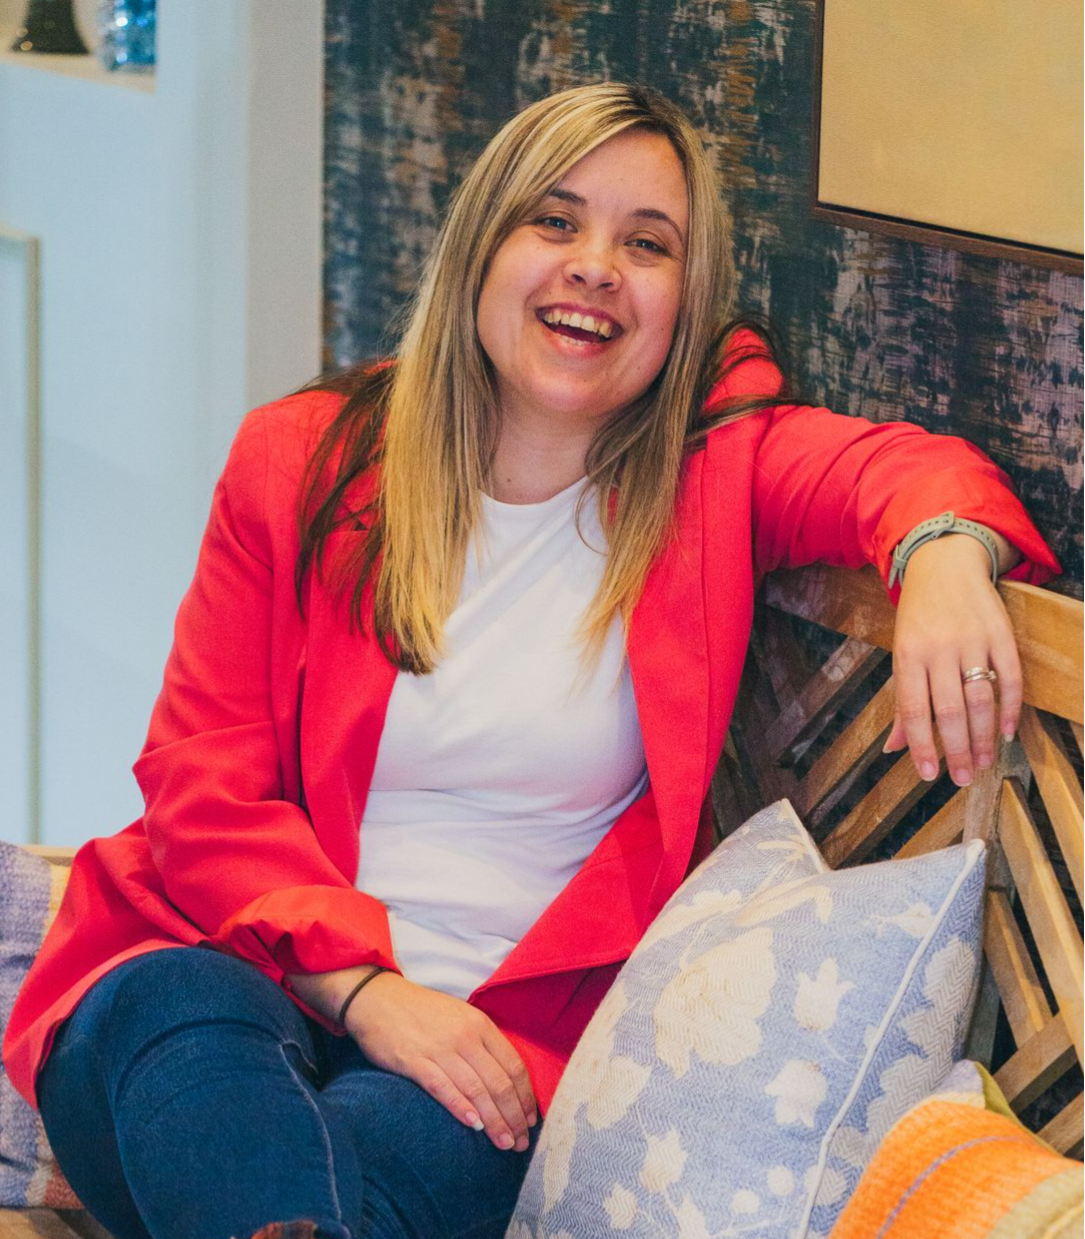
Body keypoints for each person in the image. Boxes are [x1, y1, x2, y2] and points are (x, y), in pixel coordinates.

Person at [3, 83, 1059, 1239]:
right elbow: (201, 784)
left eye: (646, 244)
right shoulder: (303, 459)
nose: (594, 266)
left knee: (349, 1172)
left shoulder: (716, 470)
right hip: (233, 968)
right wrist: (366, 994)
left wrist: (942, 553)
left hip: (486, 1054)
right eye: (553, 221)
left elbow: (899, 472)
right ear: (479, 249)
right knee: (176, 1012)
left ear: (683, 303)